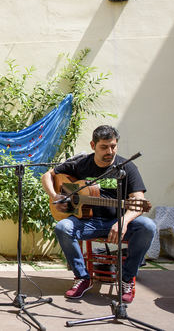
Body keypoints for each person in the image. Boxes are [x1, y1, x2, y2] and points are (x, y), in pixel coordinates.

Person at [41, 125, 156, 303]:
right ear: (93, 145)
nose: (110, 151)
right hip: (88, 221)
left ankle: (126, 278)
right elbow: (47, 176)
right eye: (104, 147)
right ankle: (82, 277)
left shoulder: (128, 168)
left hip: (118, 220)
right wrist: (55, 196)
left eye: (113, 146)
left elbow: (139, 203)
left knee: (148, 226)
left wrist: (123, 222)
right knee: (62, 227)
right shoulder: (81, 164)